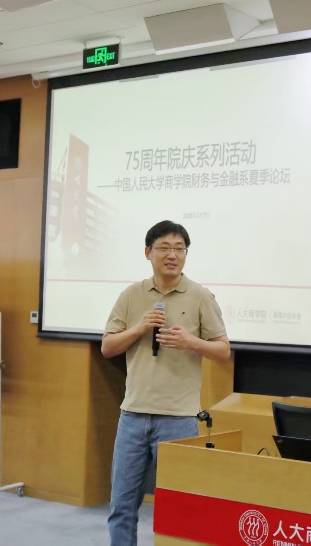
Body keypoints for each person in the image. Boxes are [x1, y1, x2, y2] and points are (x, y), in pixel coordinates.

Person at [101, 220, 230, 546]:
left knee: (180, 509)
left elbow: (223, 351)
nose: (172, 255)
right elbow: (108, 347)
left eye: (179, 249)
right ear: (148, 252)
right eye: (164, 248)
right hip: (133, 415)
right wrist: (139, 328)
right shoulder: (131, 295)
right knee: (121, 507)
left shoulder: (200, 296)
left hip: (179, 418)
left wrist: (191, 342)